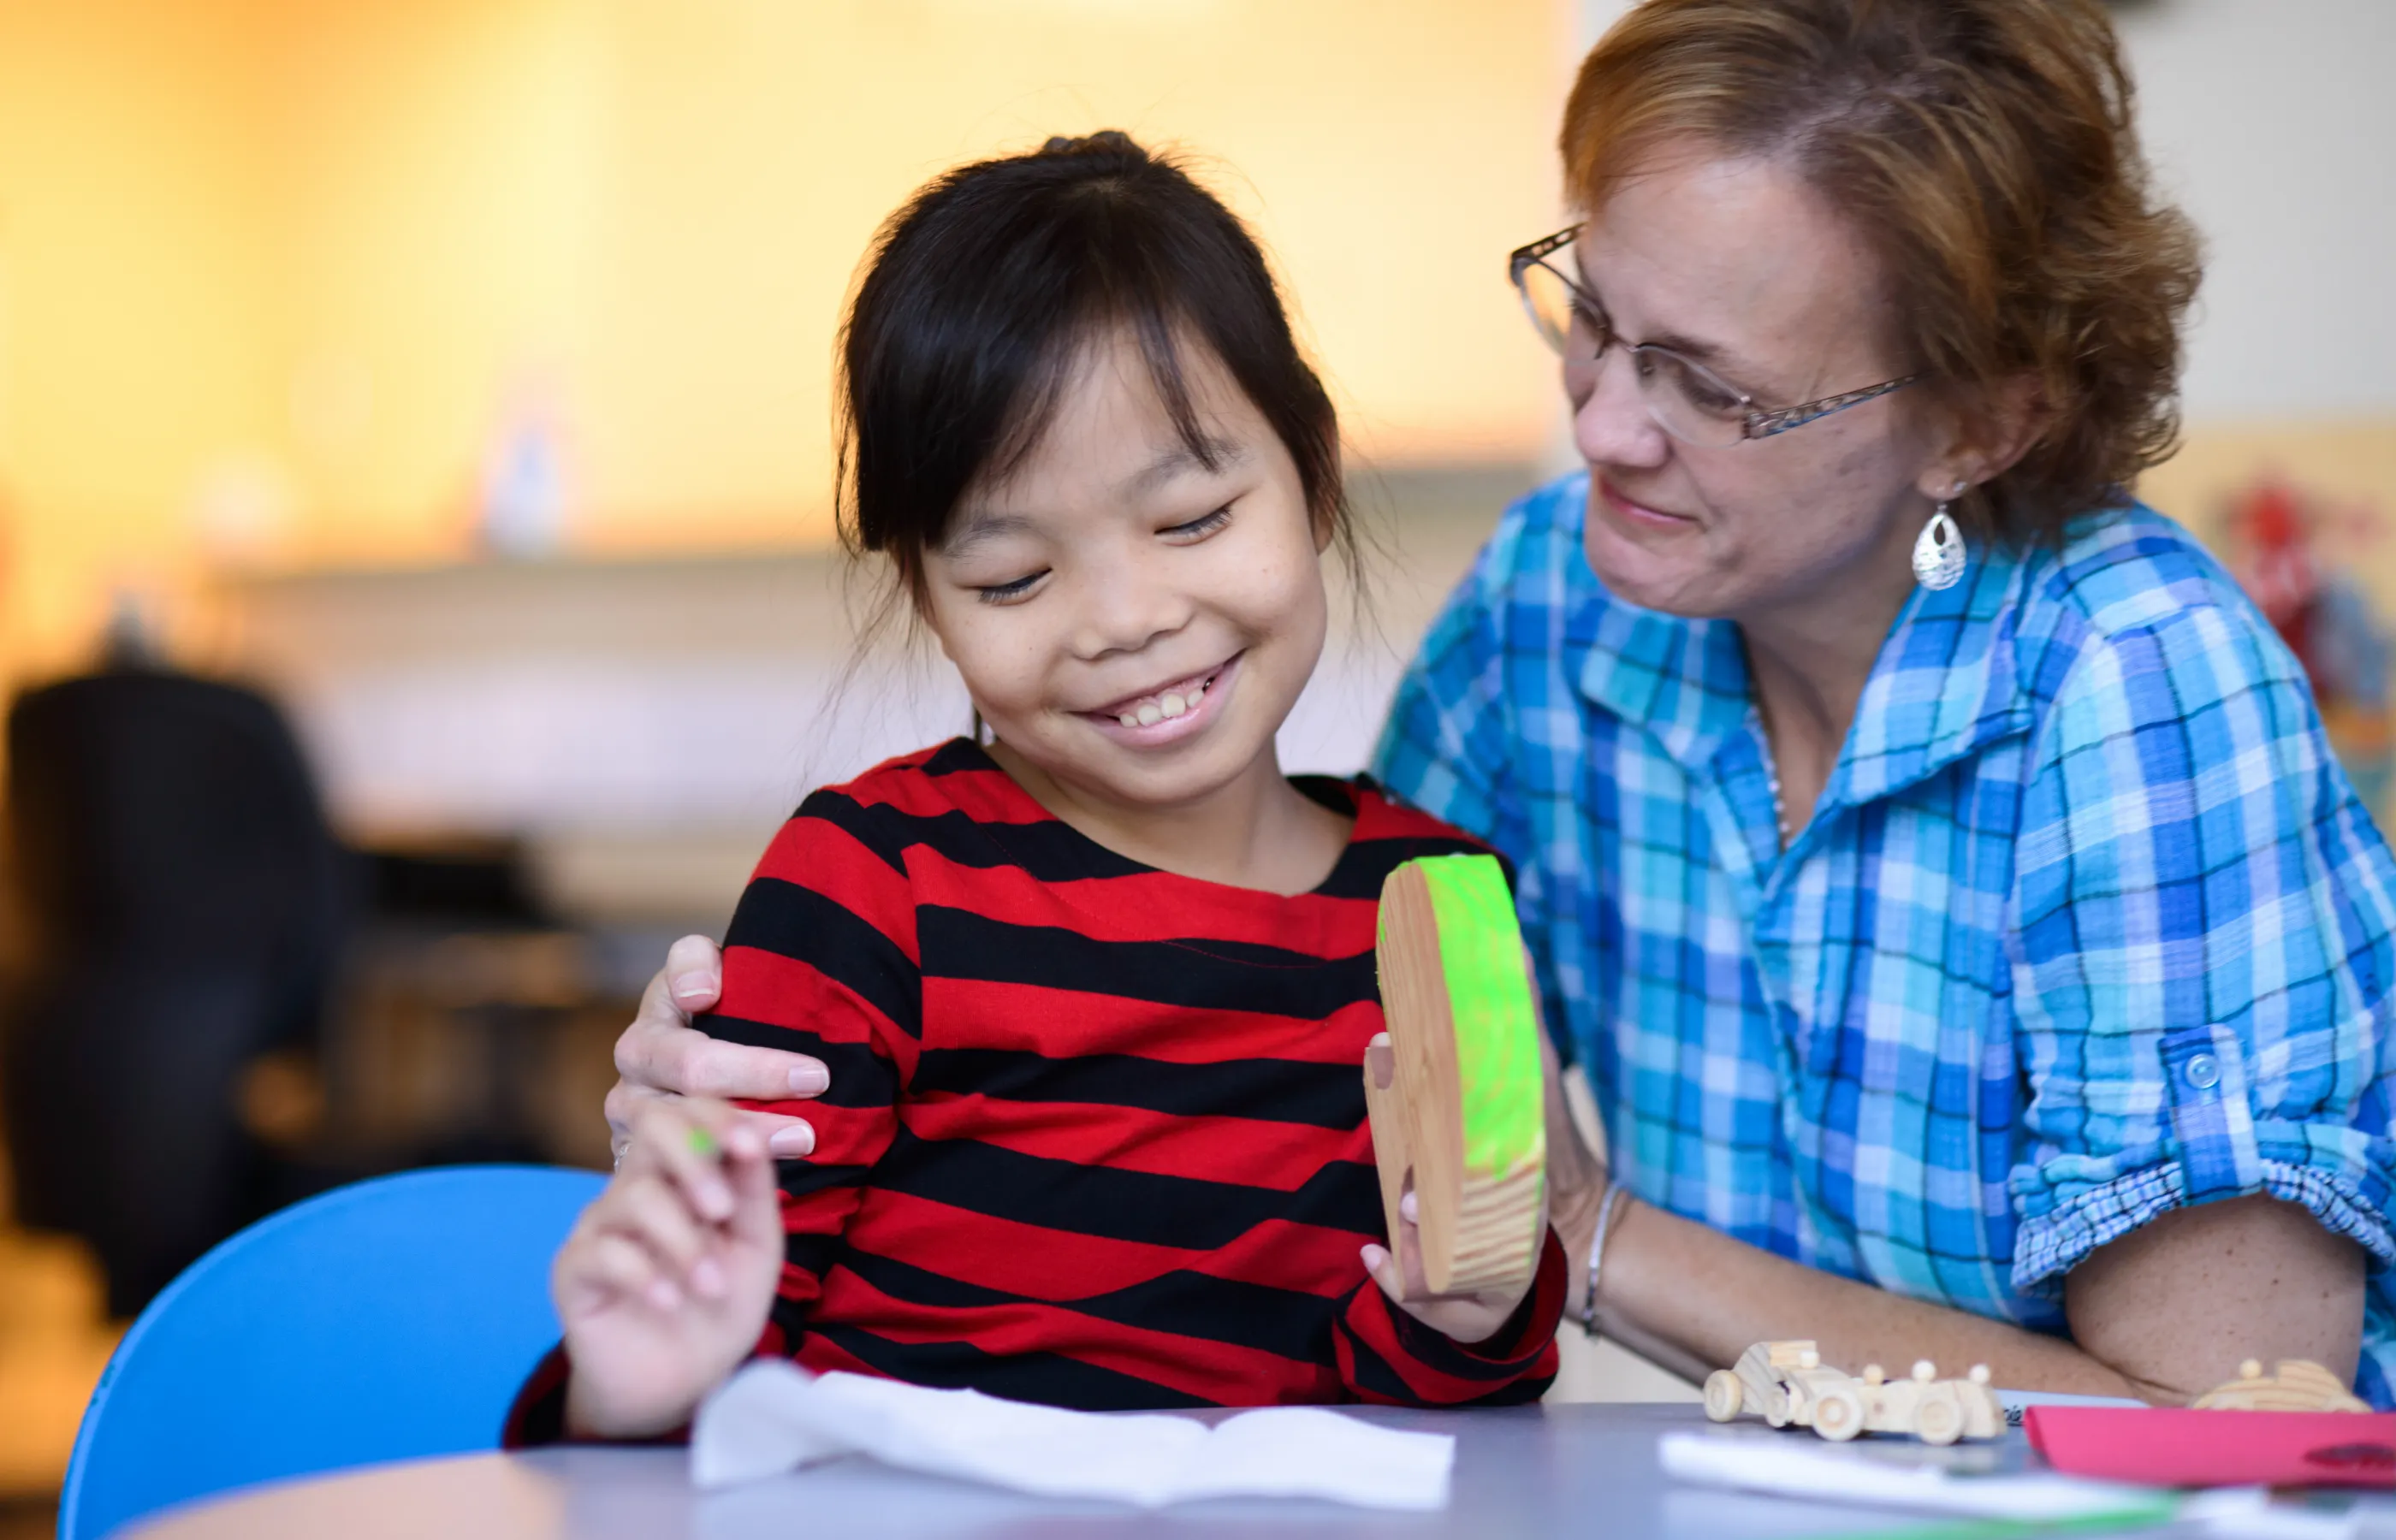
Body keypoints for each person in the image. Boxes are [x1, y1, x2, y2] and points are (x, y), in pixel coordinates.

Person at [604, 0, 2396, 1407]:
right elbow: (1325, 1006)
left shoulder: (2130, 688)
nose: (1599, 426)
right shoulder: (1564, 598)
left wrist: (1571, 1235)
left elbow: (2222, 1427)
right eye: (1593, 319)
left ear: (1981, 419)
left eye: (1709, 387)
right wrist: (709, 1120)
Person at [521, 133, 1568, 1442]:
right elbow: (701, 1374)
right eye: (1014, 578)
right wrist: (637, 1391)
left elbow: (1432, 1439)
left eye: (1191, 520)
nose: (1125, 620)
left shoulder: (1432, 907)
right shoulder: (875, 886)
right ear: (927, 596)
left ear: (1313, 473)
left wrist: (1466, 1318)